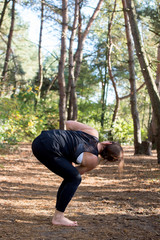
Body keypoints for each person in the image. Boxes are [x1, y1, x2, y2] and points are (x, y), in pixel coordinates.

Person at [32, 121, 124, 227]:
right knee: (75, 179)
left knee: (72, 177)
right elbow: (75, 172)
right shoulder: (93, 160)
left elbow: (69, 123)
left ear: (108, 143)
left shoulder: (92, 132)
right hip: (46, 149)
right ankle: (58, 217)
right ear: (106, 158)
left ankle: (58, 216)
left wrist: (67, 142)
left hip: (39, 140)